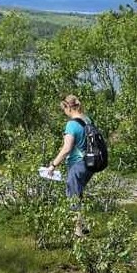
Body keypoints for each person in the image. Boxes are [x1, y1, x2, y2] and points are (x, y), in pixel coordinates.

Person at [43, 94, 94, 236]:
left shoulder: (71, 124)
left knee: (73, 197)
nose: (64, 112)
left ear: (68, 107)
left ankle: (79, 234)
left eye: (63, 109)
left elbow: (66, 149)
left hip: (77, 165)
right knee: (79, 195)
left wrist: (53, 165)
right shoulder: (88, 120)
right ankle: (84, 228)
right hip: (89, 164)